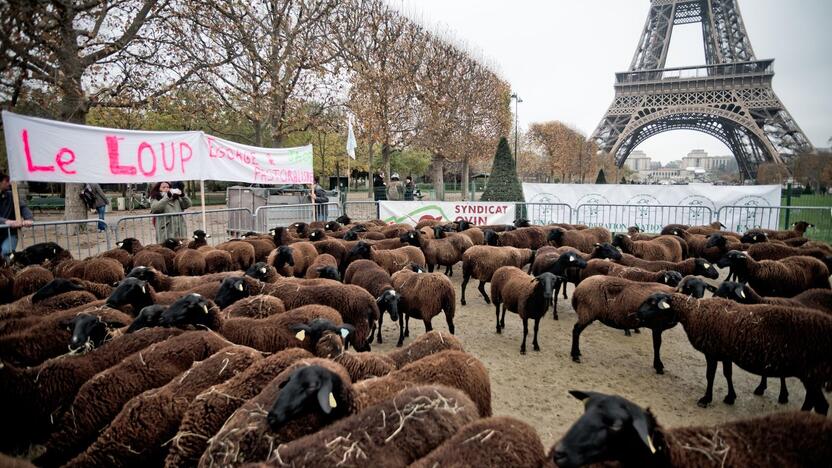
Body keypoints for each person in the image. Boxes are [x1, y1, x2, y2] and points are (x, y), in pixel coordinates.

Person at [0, 173, 34, 260]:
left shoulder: (12, 195)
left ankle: (8, 271)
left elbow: (22, 207)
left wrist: (28, 218)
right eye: (7, 181)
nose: (9, 183)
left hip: (10, 234)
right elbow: (6, 221)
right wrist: (6, 221)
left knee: (6, 253)